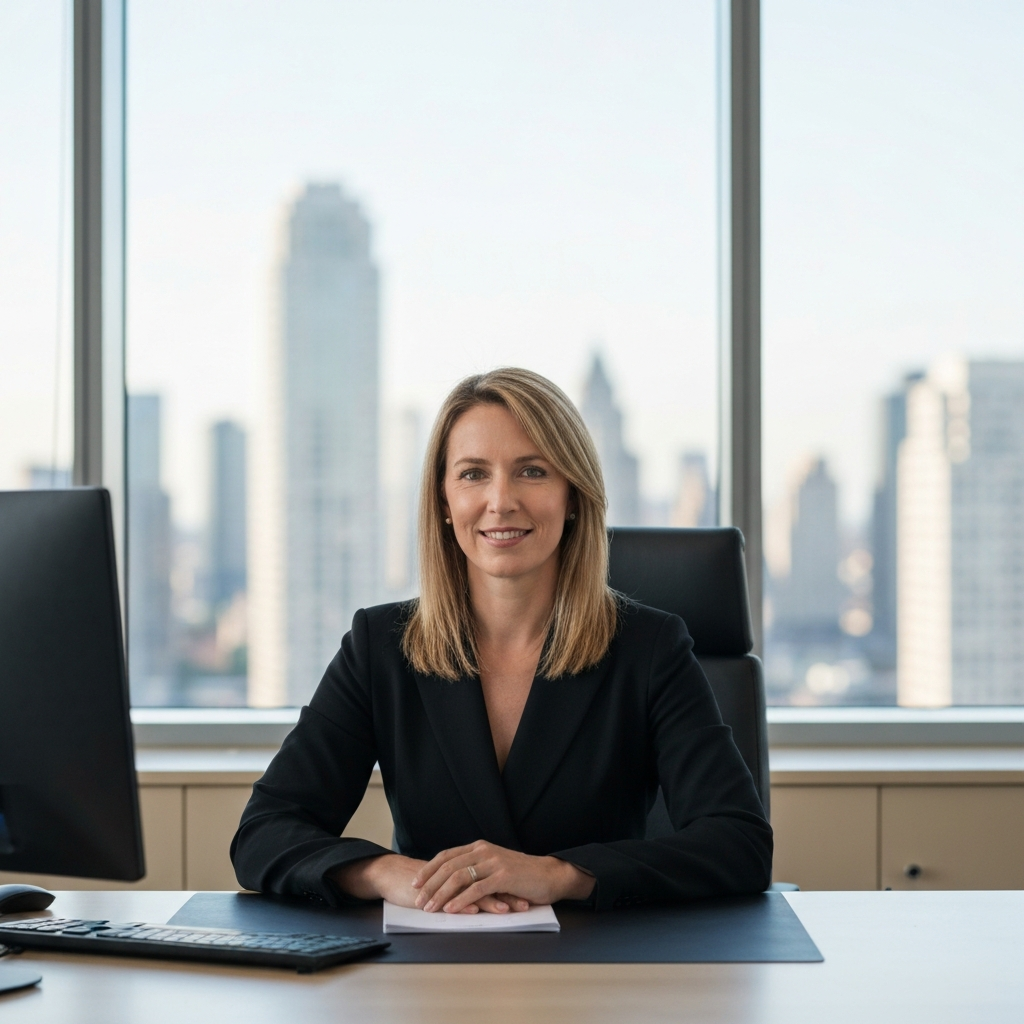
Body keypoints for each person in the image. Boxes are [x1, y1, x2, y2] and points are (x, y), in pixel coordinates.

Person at [231, 367, 772, 913]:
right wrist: (385, 872)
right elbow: (265, 833)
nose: (500, 500)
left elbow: (739, 843)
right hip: (430, 973)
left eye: (532, 471)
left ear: (574, 496)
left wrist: (561, 875)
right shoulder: (381, 647)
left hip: (599, 973)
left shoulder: (649, 648)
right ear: (443, 501)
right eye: (472, 474)